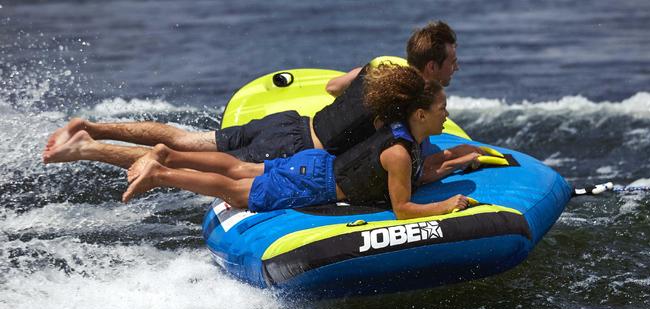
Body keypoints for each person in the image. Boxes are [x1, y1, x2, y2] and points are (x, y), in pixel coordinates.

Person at [43, 21, 464, 168]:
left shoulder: (377, 68)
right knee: (181, 162)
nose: (455, 68)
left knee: (182, 139)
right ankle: (86, 148)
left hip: (289, 123)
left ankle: (93, 126)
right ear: (431, 68)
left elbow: (333, 86)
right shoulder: (410, 103)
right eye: (450, 63)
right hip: (292, 151)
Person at [118, 65, 487, 220]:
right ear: (419, 114)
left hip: (314, 163)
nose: (447, 113)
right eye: (442, 107)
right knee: (235, 190)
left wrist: (463, 157)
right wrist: (445, 205)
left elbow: (426, 170)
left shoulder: (399, 135)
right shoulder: (399, 154)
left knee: (240, 168)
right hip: (316, 181)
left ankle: (169, 153)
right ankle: (161, 174)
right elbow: (403, 208)